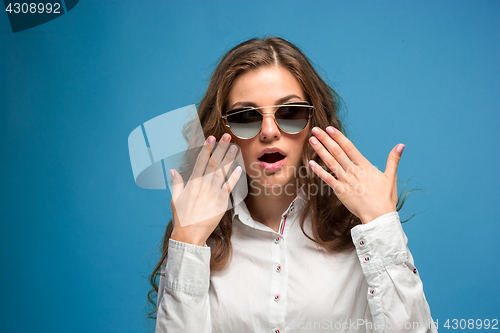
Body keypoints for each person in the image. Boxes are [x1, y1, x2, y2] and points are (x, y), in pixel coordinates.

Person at [148, 37, 437, 333]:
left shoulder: (363, 235)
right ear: (225, 131)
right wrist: (187, 241)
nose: (270, 131)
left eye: (290, 113)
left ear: (314, 122)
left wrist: (380, 225)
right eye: (246, 117)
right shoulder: (202, 237)